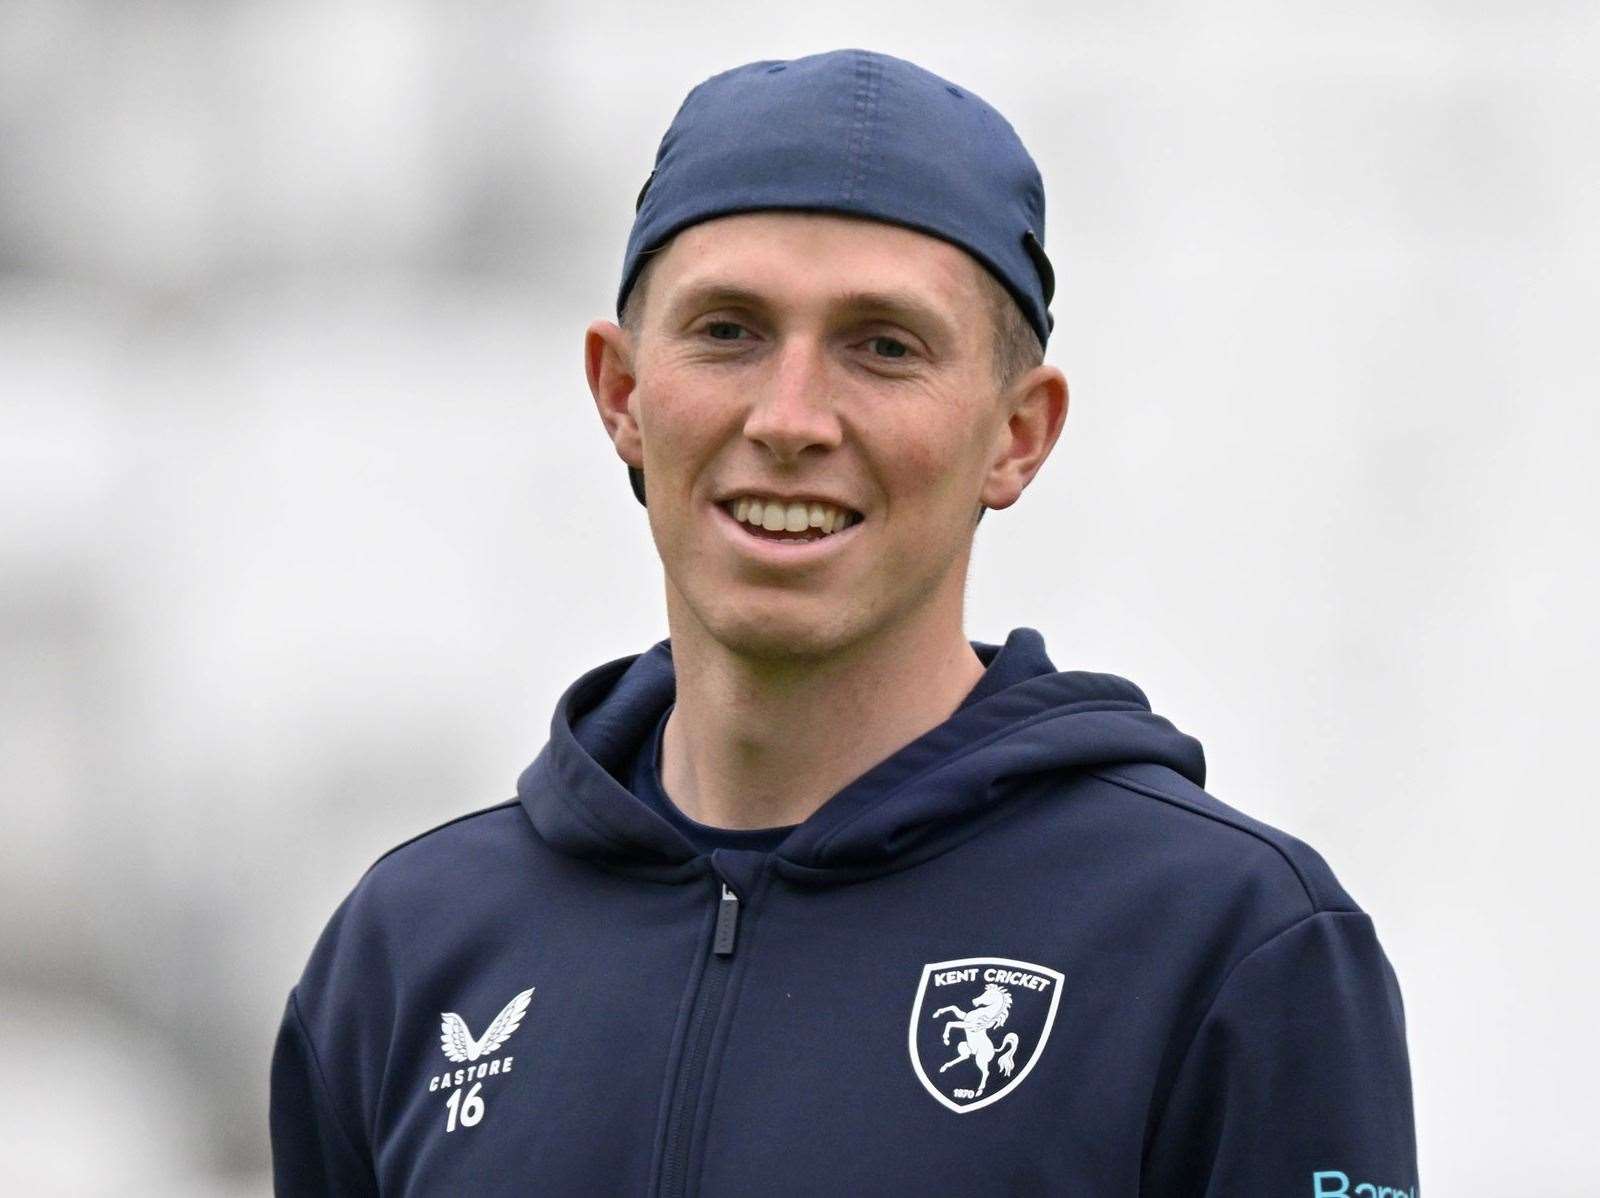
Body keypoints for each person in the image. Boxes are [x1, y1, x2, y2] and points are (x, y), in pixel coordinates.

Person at [270, 48, 1419, 1196]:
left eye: (883, 346)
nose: (790, 417)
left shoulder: (1225, 941)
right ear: (621, 393)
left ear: (1017, 434)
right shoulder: (412, 948)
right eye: (728, 330)